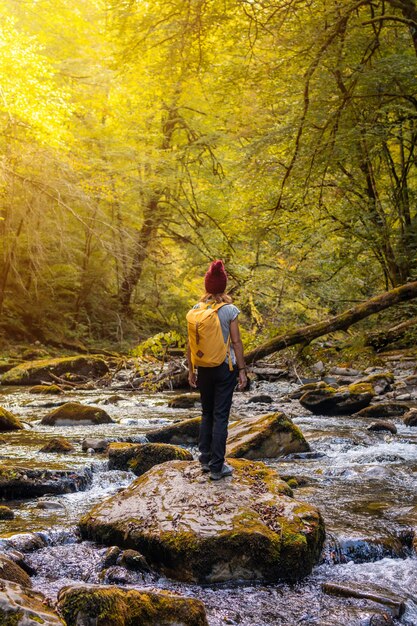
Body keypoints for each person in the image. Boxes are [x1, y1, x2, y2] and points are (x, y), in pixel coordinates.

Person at [187, 260, 247, 480]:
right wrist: (242, 369)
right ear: (224, 287)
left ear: (206, 287)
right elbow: (237, 342)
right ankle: (217, 466)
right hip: (224, 367)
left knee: (206, 412)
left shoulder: (196, 310)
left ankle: (205, 459)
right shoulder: (230, 310)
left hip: (203, 368)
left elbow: (189, 344)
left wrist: (191, 370)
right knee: (221, 415)